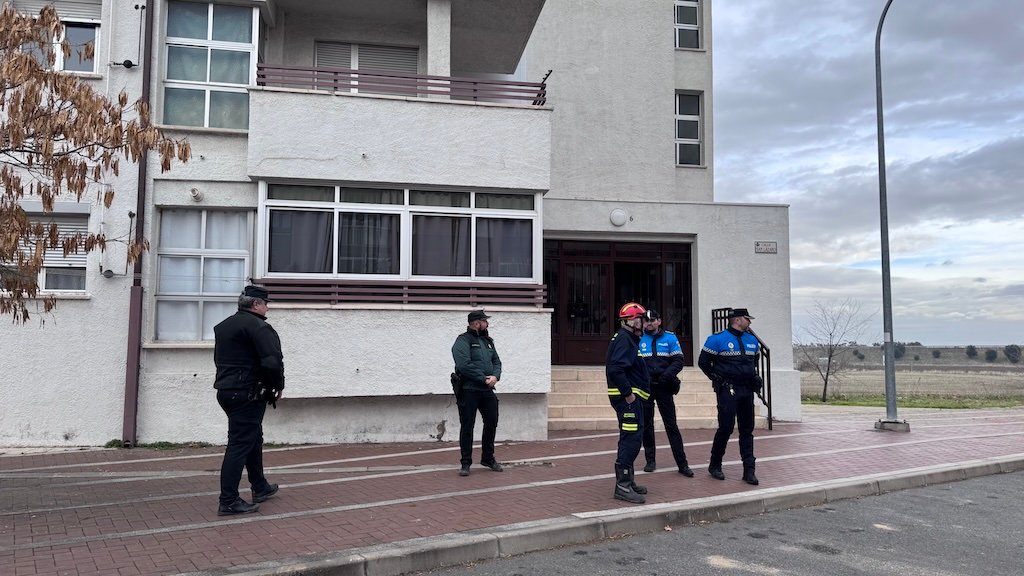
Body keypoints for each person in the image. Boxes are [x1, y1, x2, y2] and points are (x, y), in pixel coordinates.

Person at [212, 285, 285, 515]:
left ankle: (260, 486)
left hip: (226, 391)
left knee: (253, 437)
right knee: (240, 443)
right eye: (265, 304)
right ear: (256, 304)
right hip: (247, 392)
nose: (267, 308)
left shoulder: (224, 326)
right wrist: (277, 386)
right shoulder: (259, 327)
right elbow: (272, 361)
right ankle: (229, 500)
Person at [698, 308, 762, 485]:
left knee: (747, 430)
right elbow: (703, 362)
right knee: (726, 428)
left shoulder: (752, 340)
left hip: (746, 390)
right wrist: (716, 378)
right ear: (738, 320)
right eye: (747, 319)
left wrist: (755, 378)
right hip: (728, 389)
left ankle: (749, 470)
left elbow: (753, 363)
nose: (750, 322)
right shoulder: (716, 339)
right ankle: (715, 465)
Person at [638, 309, 694, 477]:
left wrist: (666, 376)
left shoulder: (670, 337)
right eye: (646, 321)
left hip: (664, 387)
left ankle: (682, 464)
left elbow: (678, 361)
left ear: (659, 321)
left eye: (652, 320)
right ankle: (650, 461)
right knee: (646, 425)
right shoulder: (638, 338)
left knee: (671, 426)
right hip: (646, 388)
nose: (649, 323)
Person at [606, 302, 651, 503]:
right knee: (631, 439)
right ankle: (622, 486)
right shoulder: (625, 339)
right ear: (632, 321)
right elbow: (616, 369)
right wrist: (628, 395)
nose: (644, 323)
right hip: (627, 401)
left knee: (632, 437)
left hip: (630, 400)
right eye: (642, 319)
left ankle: (628, 480)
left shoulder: (628, 339)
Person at [452, 309, 503, 476]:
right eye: (485, 321)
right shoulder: (463, 340)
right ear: (476, 323)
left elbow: (496, 361)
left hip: (486, 389)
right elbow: (464, 365)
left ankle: (488, 458)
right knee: (468, 426)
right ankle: (465, 462)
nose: (487, 324)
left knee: (492, 421)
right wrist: (483, 378)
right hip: (469, 390)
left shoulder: (488, 341)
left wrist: (495, 376)